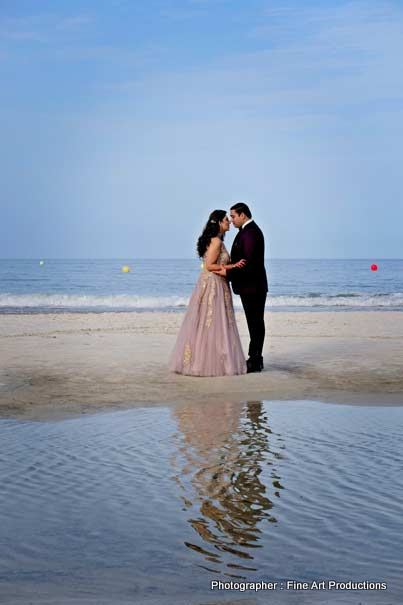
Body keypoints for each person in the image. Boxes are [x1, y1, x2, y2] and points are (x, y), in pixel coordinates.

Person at [169, 210, 247, 376]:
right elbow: (209, 266)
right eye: (226, 219)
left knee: (214, 323)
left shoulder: (218, 241)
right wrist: (233, 266)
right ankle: (209, 362)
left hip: (217, 283)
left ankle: (211, 359)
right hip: (214, 284)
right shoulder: (216, 242)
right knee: (213, 323)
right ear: (219, 222)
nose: (229, 222)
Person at [215, 202, 267, 373]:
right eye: (230, 217)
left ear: (243, 215)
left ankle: (255, 360)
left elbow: (248, 263)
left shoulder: (251, 233)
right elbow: (240, 261)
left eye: (233, 216)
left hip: (253, 286)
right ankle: (255, 358)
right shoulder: (245, 232)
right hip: (249, 286)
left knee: (255, 323)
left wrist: (227, 274)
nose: (231, 219)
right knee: (254, 322)